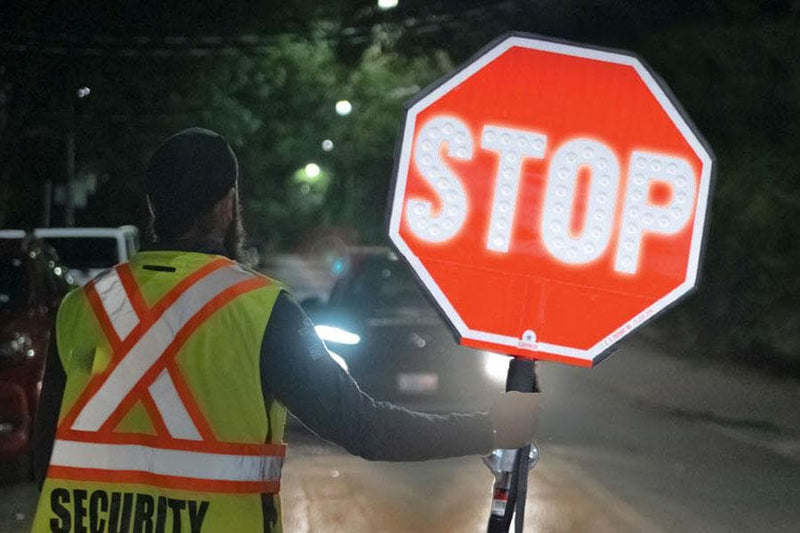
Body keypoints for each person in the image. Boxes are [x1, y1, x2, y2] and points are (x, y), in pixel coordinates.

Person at [31, 128, 542, 533]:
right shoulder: (260, 309)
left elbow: (43, 459)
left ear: (152, 206)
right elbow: (363, 426)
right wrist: (491, 427)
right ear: (228, 203)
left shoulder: (82, 306)